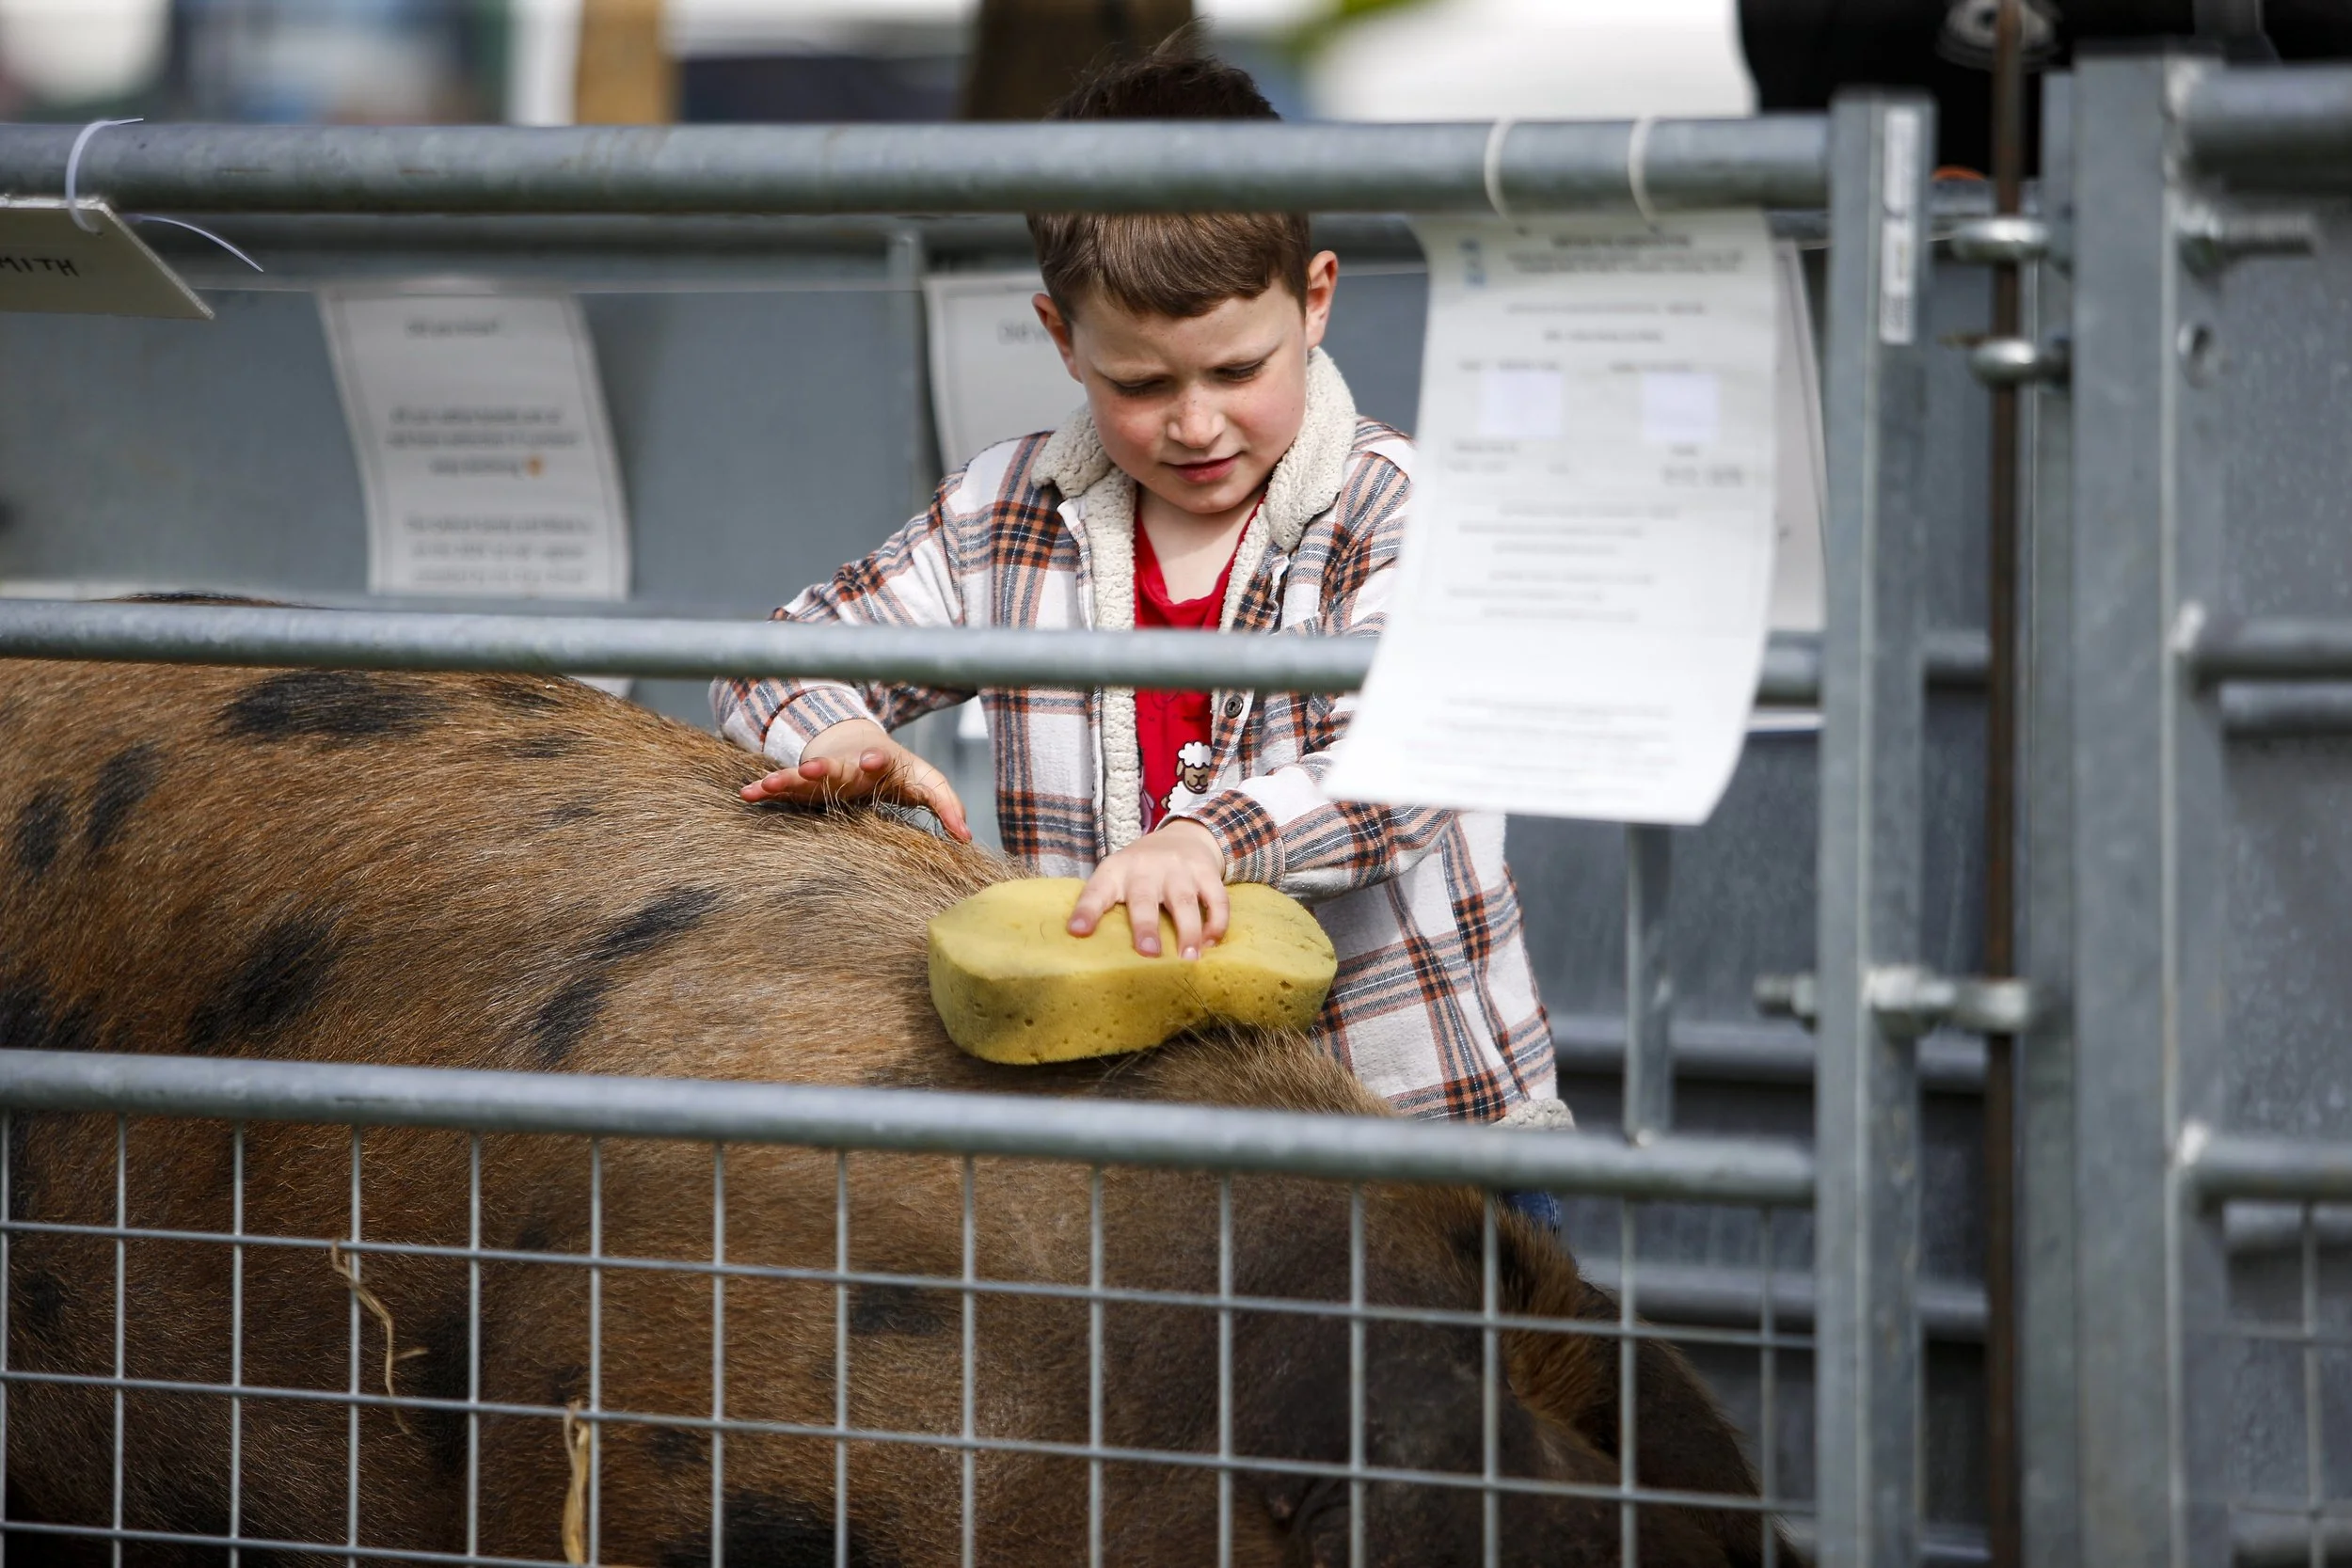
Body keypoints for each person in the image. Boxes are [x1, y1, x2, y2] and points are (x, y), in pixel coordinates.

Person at [714, 49, 1567, 1132]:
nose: (1196, 424)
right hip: (1124, 1140)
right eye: (1142, 383)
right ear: (1063, 339)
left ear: (1314, 300)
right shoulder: (1000, 513)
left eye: (1237, 371)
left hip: (1407, 1131)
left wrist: (1209, 837)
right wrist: (835, 736)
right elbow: (775, 657)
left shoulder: (1393, 503)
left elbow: (1405, 764)